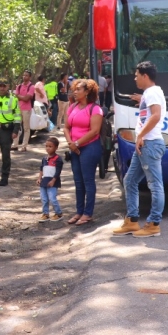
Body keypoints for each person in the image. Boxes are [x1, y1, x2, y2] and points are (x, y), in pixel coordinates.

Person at [114, 61, 166, 238]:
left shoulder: (152, 93)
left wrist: (141, 135)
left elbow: (156, 116)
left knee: (155, 185)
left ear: (145, 76)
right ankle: (132, 221)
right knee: (130, 181)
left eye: (137, 75)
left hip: (149, 144)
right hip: (144, 144)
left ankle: (153, 224)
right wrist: (140, 100)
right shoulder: (149, 94)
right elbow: (151, 113)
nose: (135, 78)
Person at [64, 79, 104, 226]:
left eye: (78, 89)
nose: (75, 92)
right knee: (78, 181)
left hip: (89, 147)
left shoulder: (95, 109)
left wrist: (77, 143)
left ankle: (88, 213)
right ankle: (79, 211)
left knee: (88, 181)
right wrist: (70, 143)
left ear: (87, 92)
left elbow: (95, 131)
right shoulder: (73, 106)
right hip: (74, 148)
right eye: (74, 89)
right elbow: (66, 127)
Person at [36, 137, 64, 221]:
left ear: (56, 147)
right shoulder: (44, 159)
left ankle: (58, 213)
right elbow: (42, 169)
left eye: (50, 146)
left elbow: (58, 171)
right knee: (44, 198)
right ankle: (45, 214)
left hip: (52, 182)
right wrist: (39, 178)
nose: (47, 148)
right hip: (44, 181)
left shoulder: (58, 159)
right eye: (46, 146)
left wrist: (53, 180)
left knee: (52, 198)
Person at [13, 70, 35, 152]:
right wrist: (22, 97)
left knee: (26, 128)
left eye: (26, 75)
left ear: (30, 77)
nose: (24, 77)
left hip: (27, 109)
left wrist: (19, 96)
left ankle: (24, 146)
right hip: (19, 109)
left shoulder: (31, 87)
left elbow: (27, 98)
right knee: (17, 127)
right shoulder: (19, 86)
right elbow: (20, 97)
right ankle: (15, 144)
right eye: (23, 75)